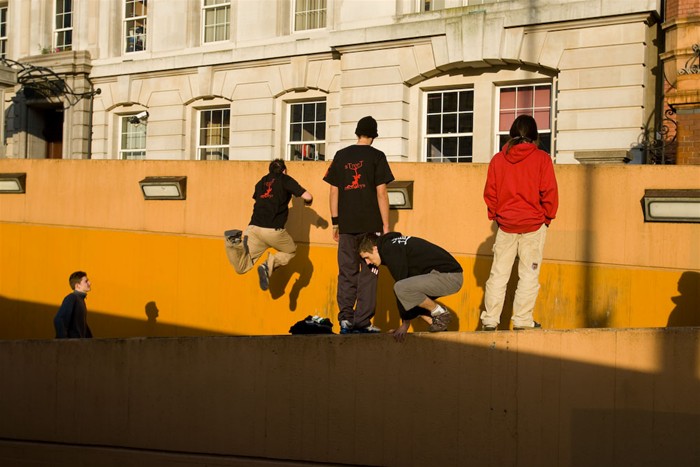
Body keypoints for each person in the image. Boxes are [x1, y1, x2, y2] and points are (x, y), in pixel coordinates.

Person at [480, 114, 559, 331]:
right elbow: (549, 193)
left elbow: (490, 193)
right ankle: (523, 320)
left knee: (498, 273)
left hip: (506, 225)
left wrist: (496, 216)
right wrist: (547, 218)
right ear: (535, 136)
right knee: (529, 274)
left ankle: (490, 319)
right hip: (533, 224)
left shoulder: (498, 159)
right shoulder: (542, 159)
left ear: (511, 134)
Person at [323, 116, 395, 334]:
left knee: (346, 272)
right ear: (373, 136)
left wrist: (335, 223)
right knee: (369, 272)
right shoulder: (377, 156)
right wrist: (386, 226)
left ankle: (345, 318)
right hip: (370, 226)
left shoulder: (341, 155)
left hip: (346, 225)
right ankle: (362, 322)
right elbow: (381, 192)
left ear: (357, 133)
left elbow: (333, 190)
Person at [225, 159, 313, 291]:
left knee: (242, 267)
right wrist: (308, 202)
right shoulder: (285, 179)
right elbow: (308, 196)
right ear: (284, 170)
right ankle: (267, 266)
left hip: (253, 228)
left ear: (270, 170)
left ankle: (233, 242)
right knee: (290, 251)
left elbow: (259, 198)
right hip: (273, 230)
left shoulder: (261, 182)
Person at [358, 232, 463, 342]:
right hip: (447, 275)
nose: (367, 262)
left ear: (375, 249)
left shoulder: (389, 249)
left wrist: (405, 325)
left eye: (367, 257)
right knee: (412, 299)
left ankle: (441, 313)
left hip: (449, 276)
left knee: (402, 289)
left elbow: (402, 284)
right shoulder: (393, 246)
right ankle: (439, 326)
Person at [54, 271, 93, 338]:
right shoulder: (72, 298)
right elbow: (59, 319)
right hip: (71, 346)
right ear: (77, 286)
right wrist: (64, 341)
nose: (90, 283)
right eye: (86, 281)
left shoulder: (80, 300)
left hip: (78, 345)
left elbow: (81, 325)